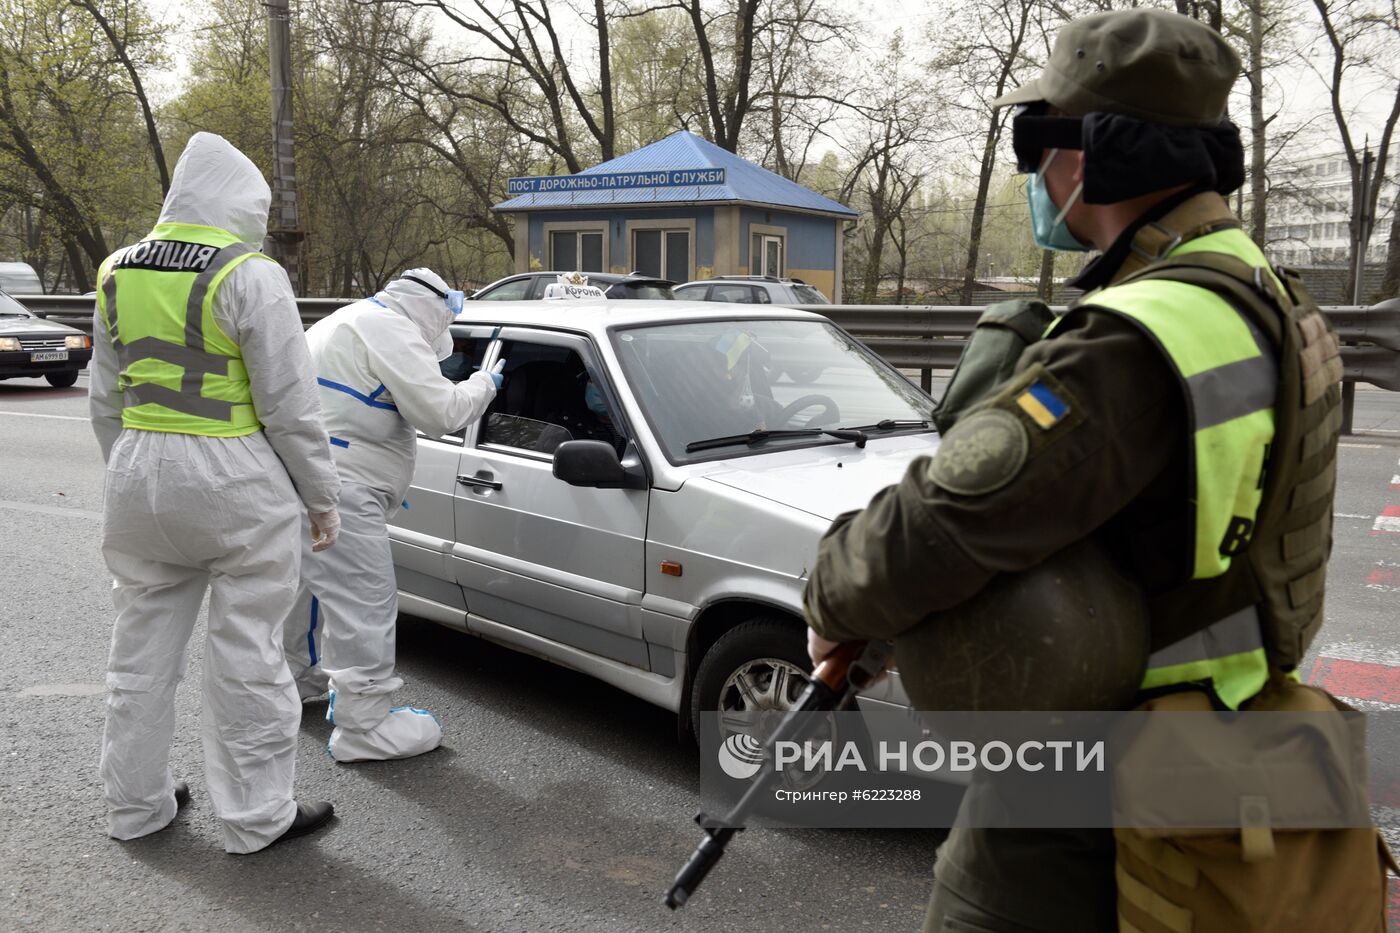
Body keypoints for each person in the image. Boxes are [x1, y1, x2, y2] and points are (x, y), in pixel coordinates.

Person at [803, 9, 1387, 931]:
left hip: (1088, 784)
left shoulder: (1137, 336)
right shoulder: (1269, 292)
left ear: (1092, 153)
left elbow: (948, 520)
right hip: (1226, 736)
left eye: (1040, 140)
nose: (1035, 171)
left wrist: (833, 597)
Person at [90, 132, 340, 854]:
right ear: (240, 205)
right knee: (248, 652)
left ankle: (135, 805)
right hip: (234, 479)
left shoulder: (116, 272)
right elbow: (291, 407)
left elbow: (105, 400)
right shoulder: (251, 274)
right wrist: (320, 499)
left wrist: (131, 473)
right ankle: (256, 815)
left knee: (139, 653)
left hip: (138, 471)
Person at [281, 268, 499, 762]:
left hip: (303, 476)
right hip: (341, 486)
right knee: (367, 603)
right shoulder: (391, 330)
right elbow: (441, 413)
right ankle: (364, 727)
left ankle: (292, 682)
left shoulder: (351, 318)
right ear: (432, 309)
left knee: (308, 590)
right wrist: (484, 384)